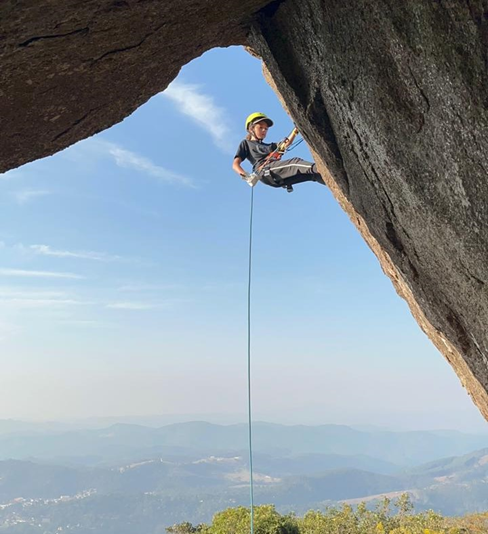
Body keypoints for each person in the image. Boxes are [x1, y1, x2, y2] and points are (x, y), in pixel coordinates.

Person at [232, 112, 324, 191]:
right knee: (295, 162)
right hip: (265, 171)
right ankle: (321, 168)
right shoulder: (246, 143)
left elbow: (285, 145)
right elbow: (235, 164)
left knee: (313, 175)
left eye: (266, 128)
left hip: (277, 175)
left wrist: (296, 130)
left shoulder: (269, 146)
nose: (264, 130)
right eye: (260, 127)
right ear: (251, 129)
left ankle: (333, 179)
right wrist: (247, 176)